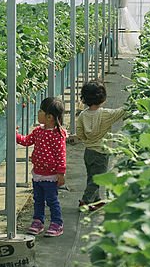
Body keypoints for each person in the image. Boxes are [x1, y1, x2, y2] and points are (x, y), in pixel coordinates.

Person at [16, 97, 67, 237]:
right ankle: (38, 221)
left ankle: (57, 223)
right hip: (38, 174)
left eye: (40, 111)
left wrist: (61, 174)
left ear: (49, 117)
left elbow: (61, 155)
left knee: (51, 200)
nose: (38, 113)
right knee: (38, 199)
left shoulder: (58, 135)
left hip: (51, 176)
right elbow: (26, 141)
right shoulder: (38, 131)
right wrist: (16, 136)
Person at [75, 80, 126, 212]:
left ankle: (96, 200)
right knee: (98, 179)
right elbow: (121, 112)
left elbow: (80, 134)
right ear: (102, 98)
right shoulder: (106, 114)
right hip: (102, 152)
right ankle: (85, 201)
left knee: (91, 176)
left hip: (89, 152)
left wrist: (88, 139)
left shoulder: (82, 115)